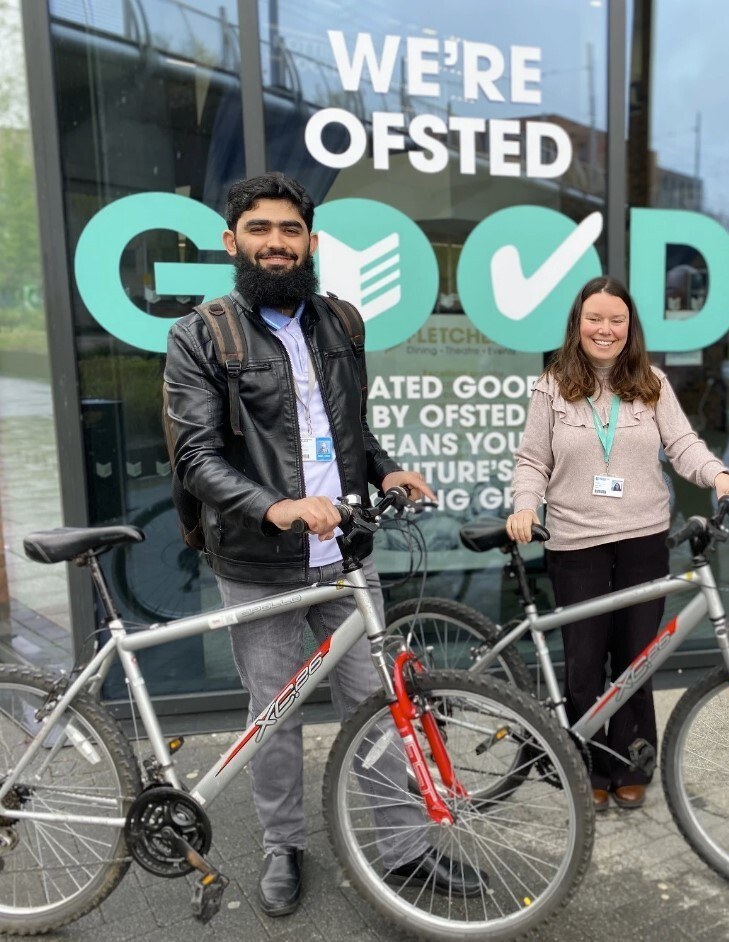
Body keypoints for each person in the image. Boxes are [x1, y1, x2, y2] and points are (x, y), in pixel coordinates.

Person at [164, 172, 480, 916]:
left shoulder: (342, 322)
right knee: (275, 713)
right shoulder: (201, 334)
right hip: (258, 562)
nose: (276, 243)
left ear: (311, 240)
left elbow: (348, 433)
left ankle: (402, 846)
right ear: (231, 240)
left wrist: (386, 467)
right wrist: (276, 508)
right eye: (260, 229)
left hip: (345, 559)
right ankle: (283, 845)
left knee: (379, 705)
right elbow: (196, 457)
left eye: (290, 230)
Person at [506, 275, 729, 812]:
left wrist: (719, 476)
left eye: (617, 319)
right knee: (586, 660)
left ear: (629, 327)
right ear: (578, 324)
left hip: (643, 539)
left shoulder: (652, 382)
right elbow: (532, 460)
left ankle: (631, 763)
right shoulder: (550, 385)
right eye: (595, 318)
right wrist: (526, 505)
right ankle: (586, 764)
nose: (606, 329)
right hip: (575, 543)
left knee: (637, 659)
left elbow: (683, 445)